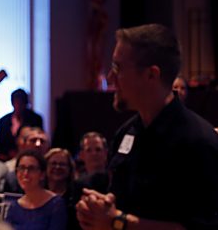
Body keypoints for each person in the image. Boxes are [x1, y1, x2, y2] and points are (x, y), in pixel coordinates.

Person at [76, 24, 218, 229]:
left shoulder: (198, 142)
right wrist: (98, 210)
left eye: (118, 68)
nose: (109, 78)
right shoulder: (126, 133)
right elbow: (122, 203)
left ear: (151, 75)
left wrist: (117, 222)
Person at [5, 150, 66, 230]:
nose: (25, 173)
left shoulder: (56, 204)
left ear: (42, 175)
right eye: (21, 168)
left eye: (31, 169)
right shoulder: (14, 207)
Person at [0, 89, 43, 161]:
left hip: (30, 157)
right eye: (16, 102)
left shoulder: (35, 119)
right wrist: (8, 153)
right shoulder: (4, 120)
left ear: (26, 103)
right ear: (12, 103)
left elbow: (38, 140)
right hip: (6, 159)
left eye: (21, 102)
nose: (18, 105)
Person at [45, 148, 77, 230]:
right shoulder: (36, 193)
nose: (57, 167)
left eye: (62, 164)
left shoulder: (77, 195)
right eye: (53, 163)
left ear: (70, 168)